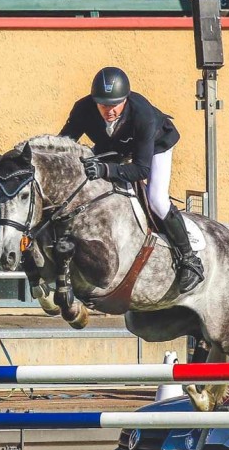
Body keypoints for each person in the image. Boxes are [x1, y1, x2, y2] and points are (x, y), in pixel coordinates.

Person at [58, 67, 204, 293]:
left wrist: (105, 169)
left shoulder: (142, 114)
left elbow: (140, 169)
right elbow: (64, 145)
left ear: (125, 100)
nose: (109, 110)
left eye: (115, 104)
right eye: (103, 104)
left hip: (156, 146)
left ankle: (189, 259)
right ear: (94, 101)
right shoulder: (83, 109)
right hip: (115, 145)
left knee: (156, 199)